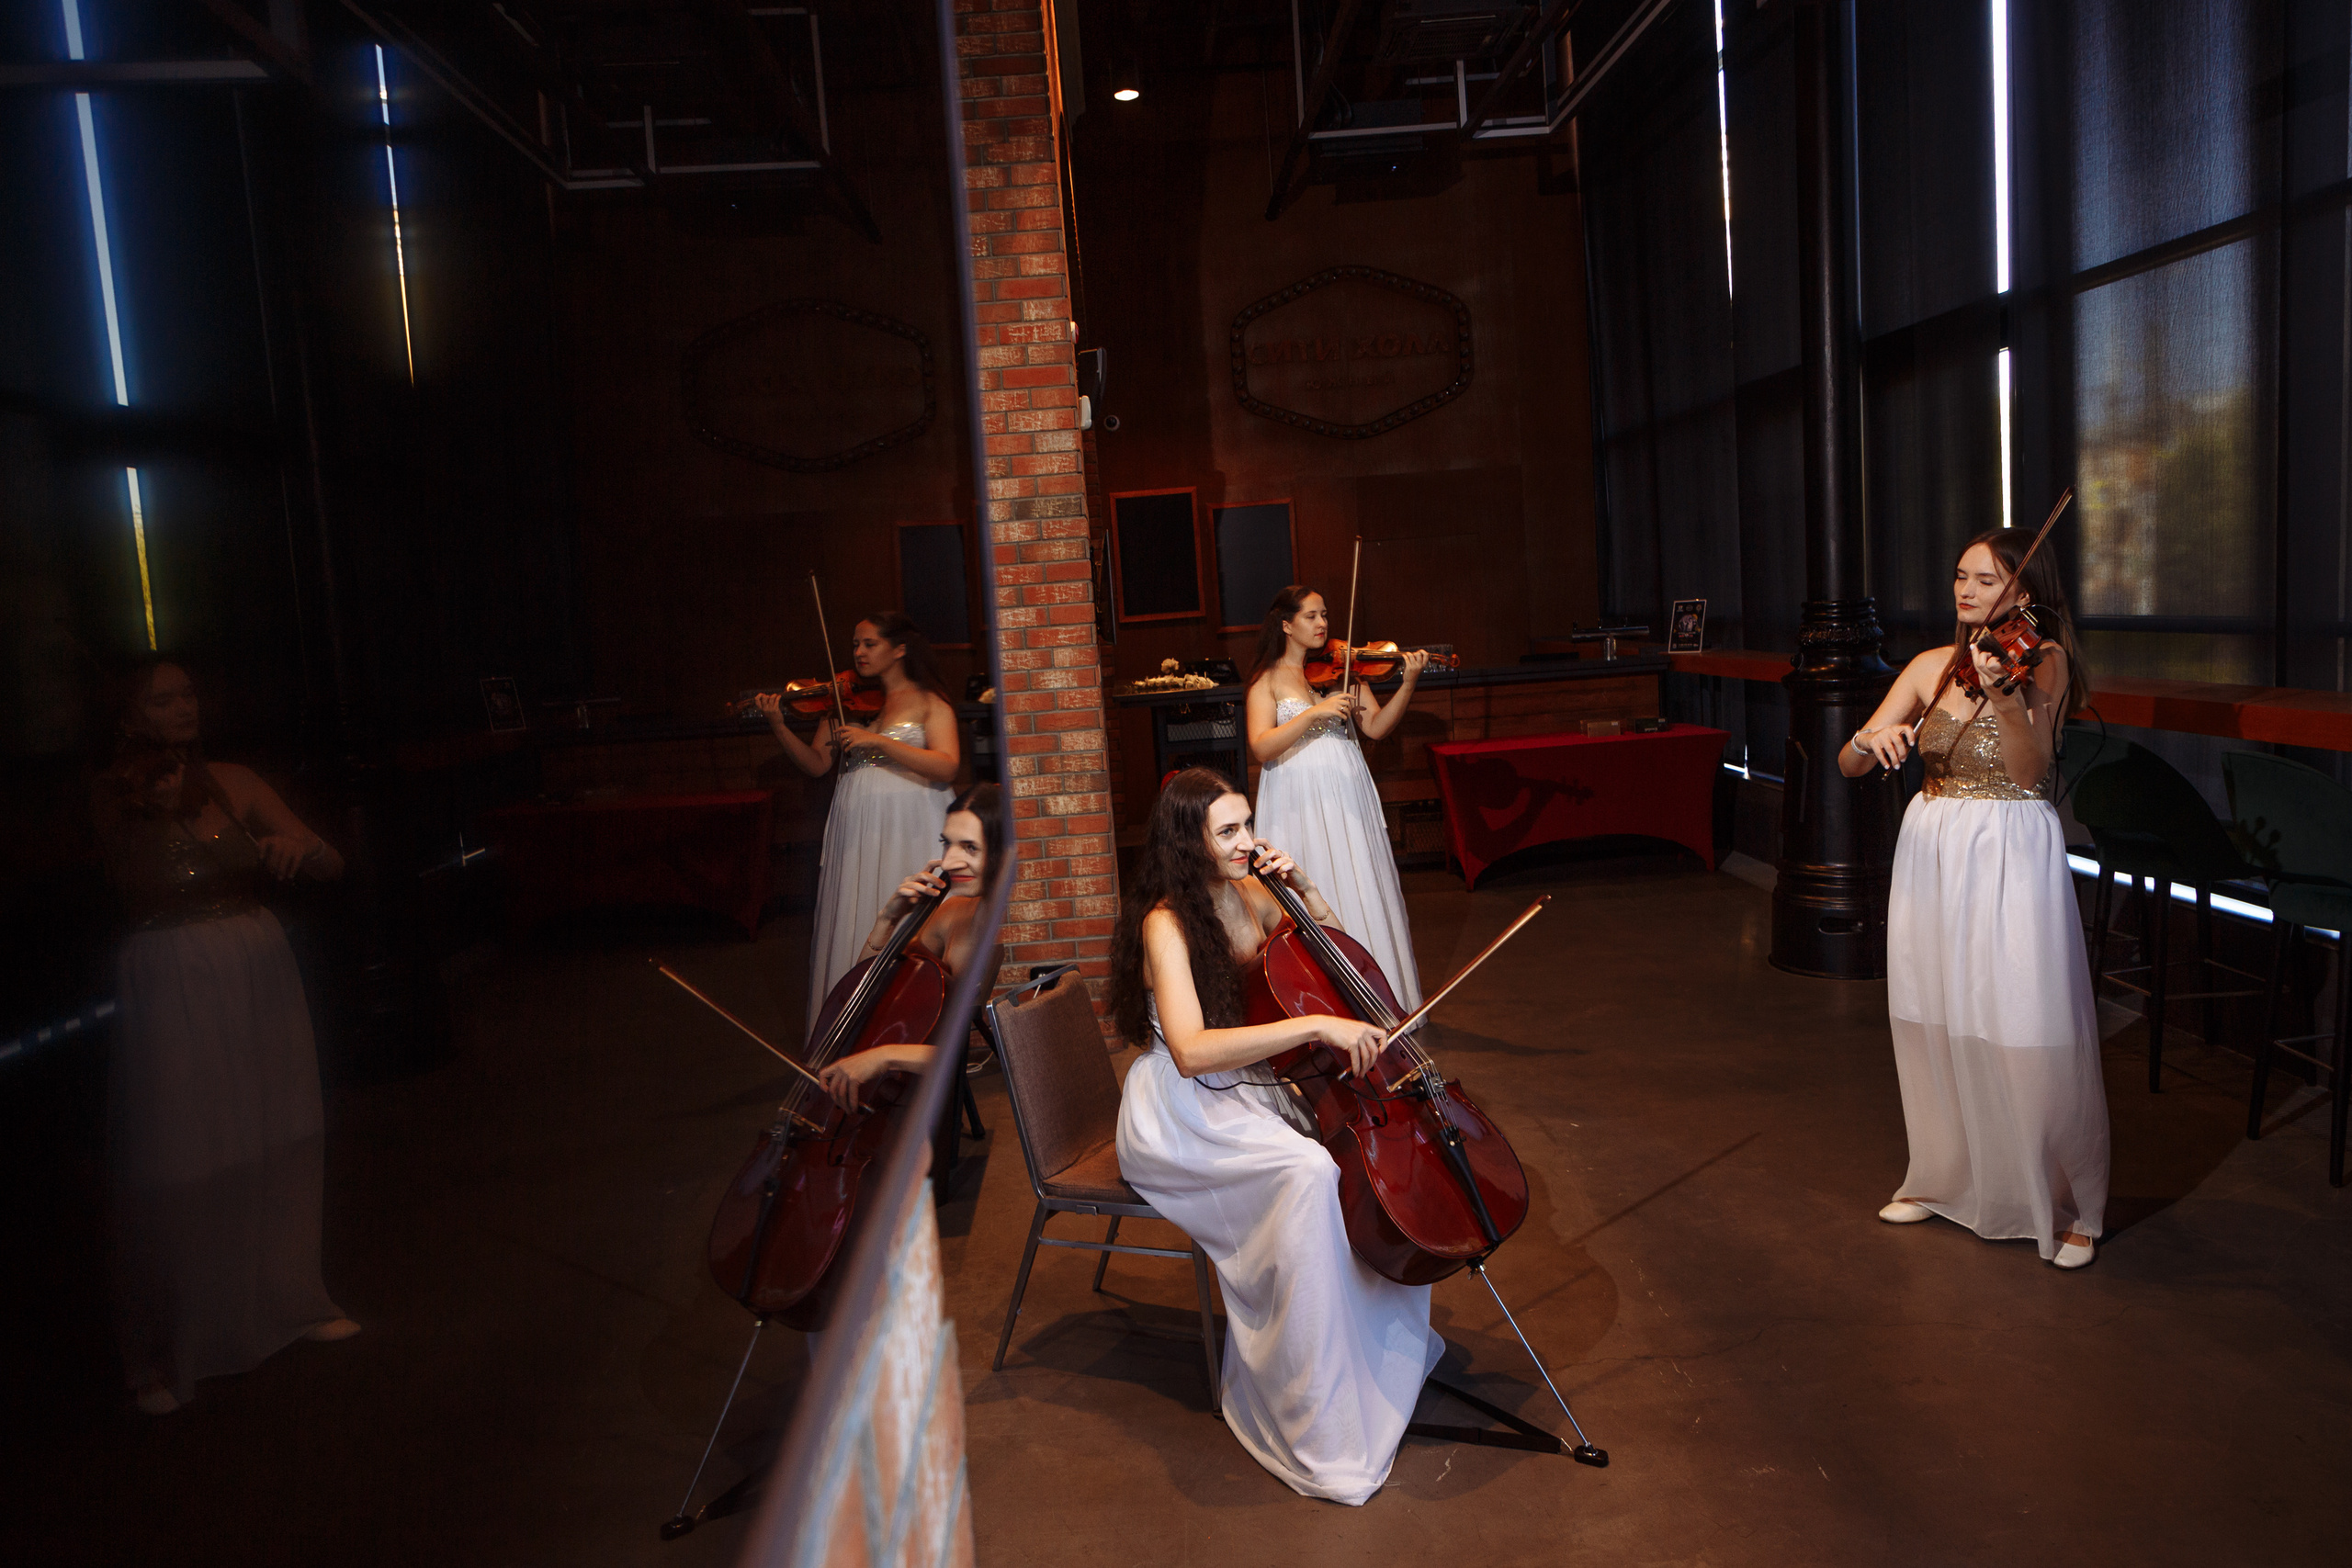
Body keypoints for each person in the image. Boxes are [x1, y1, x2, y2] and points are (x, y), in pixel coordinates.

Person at [1110, 768, 1442, 1505]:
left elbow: (1330, 956)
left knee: (1327, 1165)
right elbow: (1193, 1050)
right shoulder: (1165, 921)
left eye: (1248, 823)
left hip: (1239, 1093)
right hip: (1180, 1108)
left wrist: (1307, 893)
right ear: (1187, 840)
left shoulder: (1250, 893)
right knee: (1307, 1176)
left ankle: (1363, 1367)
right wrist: (1317, 1025)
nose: (1247, 840)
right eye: (1227, 830)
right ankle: (1307, 1406)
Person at [89, 660, 359, 1416]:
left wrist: (297, 850)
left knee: (276, 1130)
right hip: (172, 967)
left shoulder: (234, 778)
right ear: (128, 712)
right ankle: (170, 1342)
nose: (182, 709)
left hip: (253, 959)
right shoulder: (116, 791)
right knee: (181, 1150)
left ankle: (286, 1298)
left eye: (188, 695)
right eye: (161, 699)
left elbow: (332, 860)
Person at [1841, 529, 2109, 1269]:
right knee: (1935, 1016)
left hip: (2009, 848)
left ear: (2022, 593)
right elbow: (1849, 761)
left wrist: (2006, 697)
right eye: (1960, 576)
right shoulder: (1932, 664)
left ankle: (2067, 1203)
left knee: (2026, 1020)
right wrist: (1875, 734)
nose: (1965, 590)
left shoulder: (2040, 660)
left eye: (1986, 580)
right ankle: (1944, 1176)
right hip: (1932, 843)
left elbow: (2029, 774)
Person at [756, 612, 960, 1033]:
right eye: (855, 645)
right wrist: (778, 725)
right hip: (858, 827)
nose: (859, 652)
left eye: (869, 643)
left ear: (899, 648)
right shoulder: (840, 705)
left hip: (908, 820)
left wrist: (877, 741)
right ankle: (854, 1031)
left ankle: (911, 1025)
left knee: (905, 913)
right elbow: (816, 765)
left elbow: (947, 765)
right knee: (861, 908)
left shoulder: (927, 700)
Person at [1244, 586, 1427, 1010]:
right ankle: (1327, 1001)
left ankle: (1380, 1001)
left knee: (1358, 879)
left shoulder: (1344, 671)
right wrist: (1313, 713)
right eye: (1311, 616)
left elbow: (1377, 727)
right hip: (1299, 798)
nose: (1323, 624)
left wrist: (1409, 683)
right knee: (1314, 878)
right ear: (1286, 625)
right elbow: (1261, 746)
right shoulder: (1267, 679)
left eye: (1324, 614)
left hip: (1346, 796)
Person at [818, 783, 1003, 1111]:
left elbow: (957, 1054)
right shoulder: (951, 914)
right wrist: (887, 920)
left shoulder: (1005, 931)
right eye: (948, 844)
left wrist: (884, 1056)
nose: (951, 861)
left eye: (970, 848)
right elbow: (868, 988)